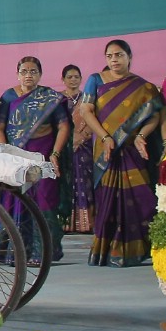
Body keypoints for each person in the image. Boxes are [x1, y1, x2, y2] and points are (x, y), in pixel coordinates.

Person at [75, 39, 163, 268]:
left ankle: (139, 250)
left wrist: (142, 135)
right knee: (107, 199)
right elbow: (85, 110)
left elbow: (154, 116)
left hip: (131, 149)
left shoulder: (144, 88)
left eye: (119, 55)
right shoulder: (95, 80)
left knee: (142, 198)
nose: (114, 60)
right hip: (105, 151)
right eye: (110, 56)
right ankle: (106, 252)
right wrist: (105, 138)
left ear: (129, 57)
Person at [0, 57, 71, 263]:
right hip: (16, 157)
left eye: (33, 71)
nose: (29, 75)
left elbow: (63, 126)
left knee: (43, 199)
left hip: (42, 154)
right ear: (18, 74)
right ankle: (12, 253)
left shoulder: (50, 98)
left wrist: (55, 154)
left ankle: (43, 253)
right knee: (14, 199)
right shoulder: (9, 97)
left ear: (40, 74)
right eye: (24, 71)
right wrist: (6, 152)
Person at [61, 64, 95, 234]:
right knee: (66, 182)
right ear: (63, 80)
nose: (73, 80)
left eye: (76, 77)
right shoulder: (58, 99)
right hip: (64, 147)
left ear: (81, 79)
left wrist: (81, 137)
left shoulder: (87, 98)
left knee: (85, 182)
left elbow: (92, 119)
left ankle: (85, 223)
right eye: (69, 77)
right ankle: (66, 222)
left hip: (84, 147)